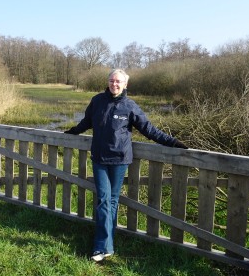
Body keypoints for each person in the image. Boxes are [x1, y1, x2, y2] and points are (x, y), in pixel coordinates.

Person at [64, 68, 187, 262]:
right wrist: (72, 132)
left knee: (111, 202)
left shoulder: (130, 106)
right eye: (112, 80)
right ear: (108, 82)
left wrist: (172, 142)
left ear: (125, 84)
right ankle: (100, 246)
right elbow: (86, 122)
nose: (114, 84)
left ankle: (107, 246)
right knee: (104, 201)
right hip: (99, 159)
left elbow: (149, 129)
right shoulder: (97, 101)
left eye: (118, 81)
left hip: (120, 160)